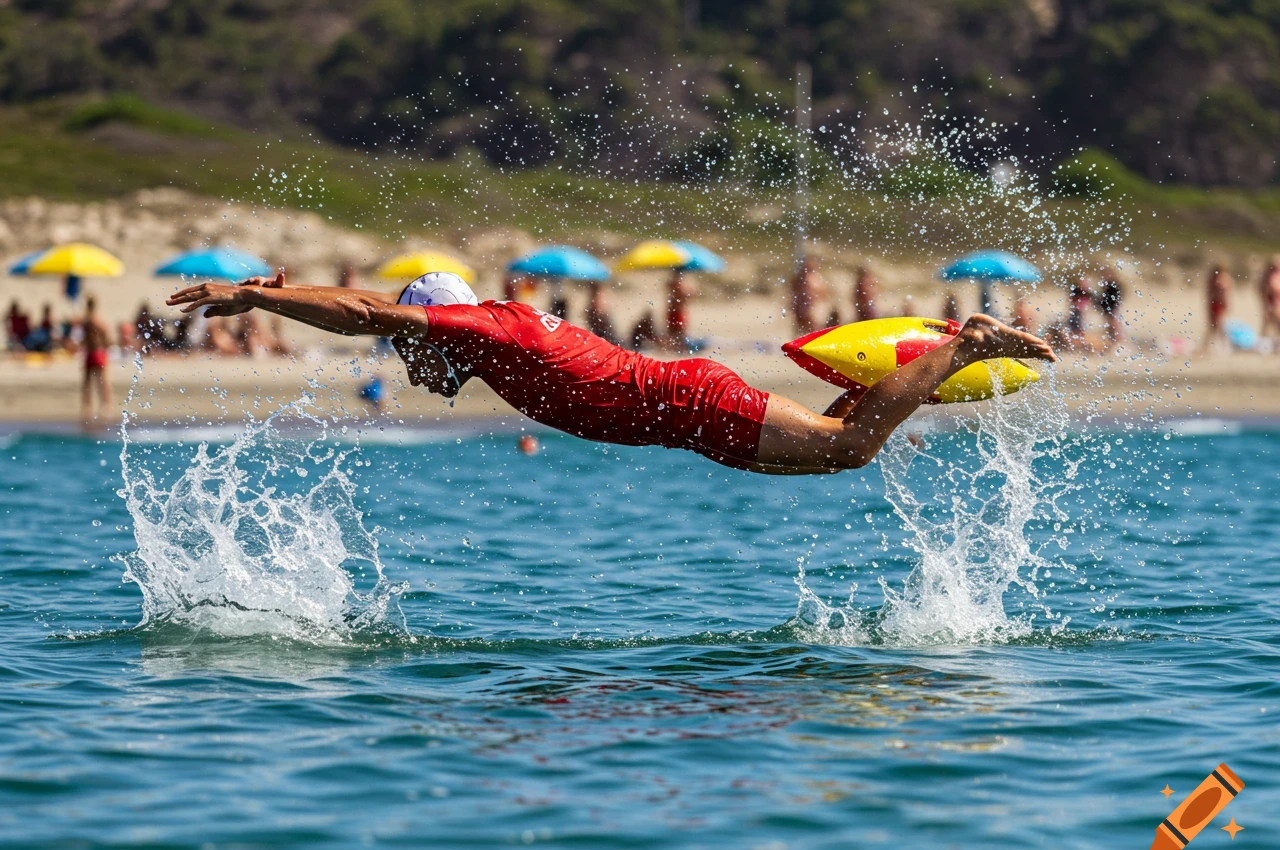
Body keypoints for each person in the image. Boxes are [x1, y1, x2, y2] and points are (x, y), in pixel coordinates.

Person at [168, 272, 1056, 475]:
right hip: (683, 413)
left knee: (851, 451)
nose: (413, 360)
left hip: (688, 401)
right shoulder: (482, 325)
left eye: (416, 338)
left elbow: (367, 312)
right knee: (839, 446)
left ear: (438, 318)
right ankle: (912, 373)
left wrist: (256, 297)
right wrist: (289, 289)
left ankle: (966, 343)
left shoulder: (487, 327)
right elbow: (371, 300)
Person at [81, 296, 112, 422]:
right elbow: (106, 333)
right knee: (100, 380)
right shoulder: (94, 320)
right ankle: (104, 405)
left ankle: (90, 406)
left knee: (91, 381)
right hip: (97, 351)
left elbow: (103, 333)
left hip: (93, 352)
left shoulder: (88, 320)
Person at [790, 255, 826, 335]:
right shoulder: (801, 278)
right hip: (802, 307)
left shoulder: (817, 278)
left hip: (813, 308)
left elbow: (824, 294)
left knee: (814, 329)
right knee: (801, 330)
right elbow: (793, 292)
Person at [1202, 264, 1231, 353]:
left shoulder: (1223, 278)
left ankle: (1223, 345)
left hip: (1219, 303)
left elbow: (1225, 293)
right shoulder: (1214, 278)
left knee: (1219, 325)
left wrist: (1226, 303)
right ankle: (1208, 345)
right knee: (1213, 326)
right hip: (1214, 303)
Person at [1095, 267, 1124, 346]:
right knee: (1110, 324)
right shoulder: (1107, 285)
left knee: (1114, 324)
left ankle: (1117, 341)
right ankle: (1112, 341)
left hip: (1112, 308)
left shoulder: (1113, 286)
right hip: (1109, 308)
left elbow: (1116, 297)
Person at [1259, 256, 1280, 343]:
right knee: (1268, 322)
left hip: (1276, 301)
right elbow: (1264, 290)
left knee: (1275, 322)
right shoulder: (1268, 276)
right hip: (1271, 301)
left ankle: (1272, 341)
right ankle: (1264, 341)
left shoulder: (1276, 275)